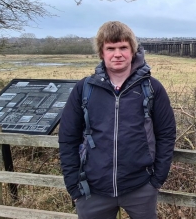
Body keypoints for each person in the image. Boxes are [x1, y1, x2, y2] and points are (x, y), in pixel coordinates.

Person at [59, 21, 176, 219]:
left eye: (123, 47)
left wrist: (156, 180)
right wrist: (74, 186)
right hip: (92, 190)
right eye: (110, 48)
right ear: (101, 53)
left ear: (133, 50)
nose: (117, 54)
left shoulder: (152, 88)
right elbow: (68, 138)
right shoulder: (84, 89)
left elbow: (166, 134)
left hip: (140, 187)